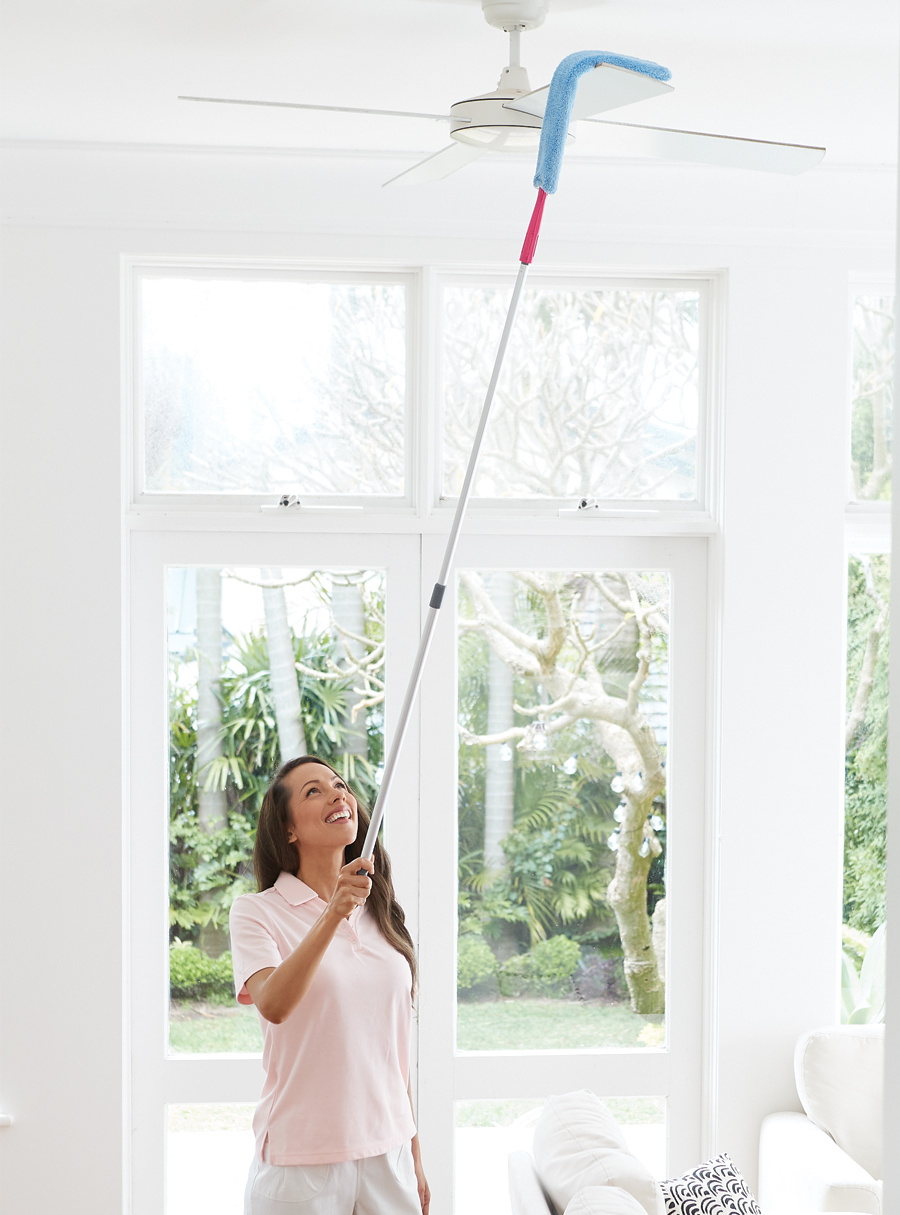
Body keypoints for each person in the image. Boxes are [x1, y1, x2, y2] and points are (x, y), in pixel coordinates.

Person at [230, 755, 430, 1215]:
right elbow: (273, 1004)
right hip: (301, 1163)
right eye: (313, 791)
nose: (337, 794)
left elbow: (392, 1052)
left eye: (340, 784)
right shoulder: (257, 912)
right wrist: (332, 912)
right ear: (288, 830)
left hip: (390, 1152)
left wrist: (414, 1155)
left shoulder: (379, 911)